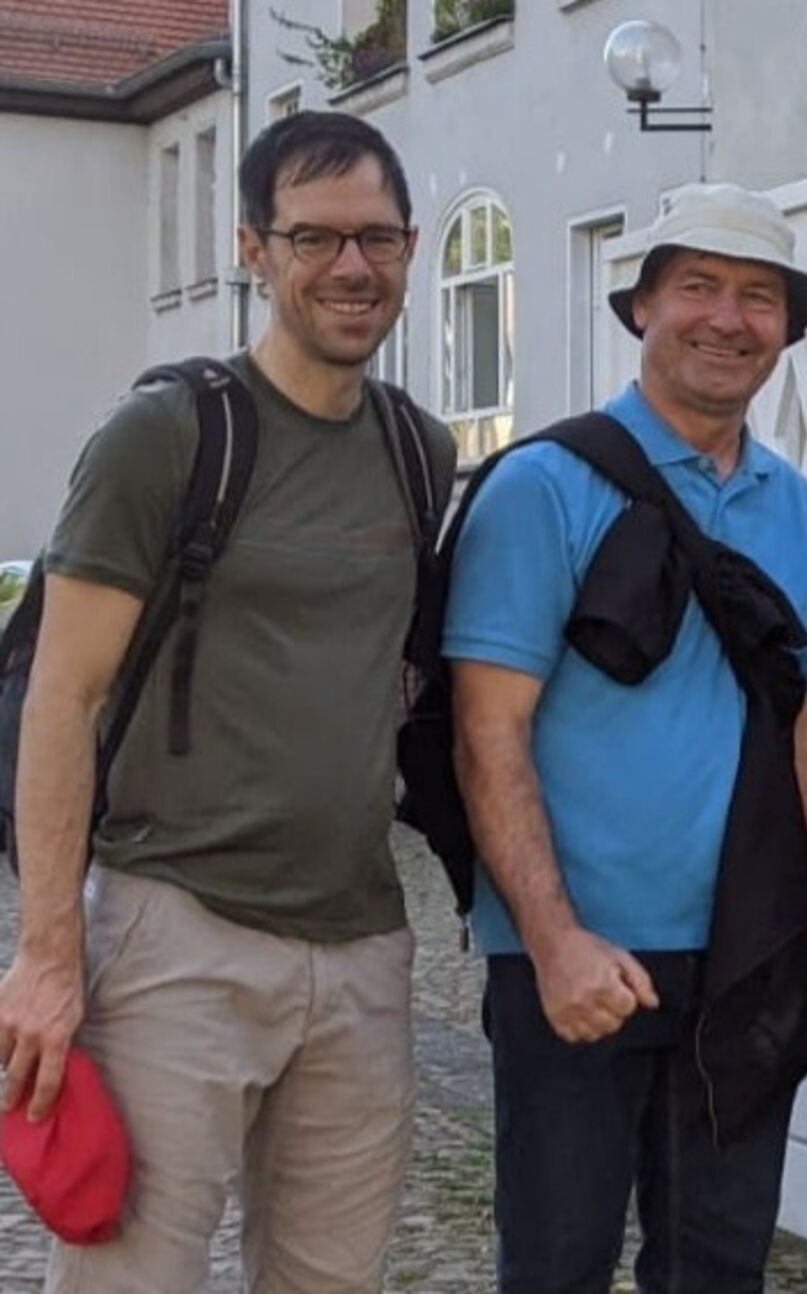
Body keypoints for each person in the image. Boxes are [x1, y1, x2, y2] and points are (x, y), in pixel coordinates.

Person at [0, 111, 454, 1288]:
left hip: (360, 947)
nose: (352, 268)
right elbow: (64, 695)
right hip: (173, 932)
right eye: (315, 238)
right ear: (252, 248)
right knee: (130, 1276)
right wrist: (49, 956)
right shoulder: (168, 436)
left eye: (379, 238)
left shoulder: (418, 450)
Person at [445, 183, 807, 1291]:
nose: (727, 319)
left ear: (786, 327)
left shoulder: (797, 507)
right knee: (558, 1261)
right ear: (641, 308)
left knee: (718, 1266)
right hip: (580, 957)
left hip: (749, 949)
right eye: (699, 288)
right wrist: (550, 939)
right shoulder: (543, 486)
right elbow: (489, 732)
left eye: (758, 297)